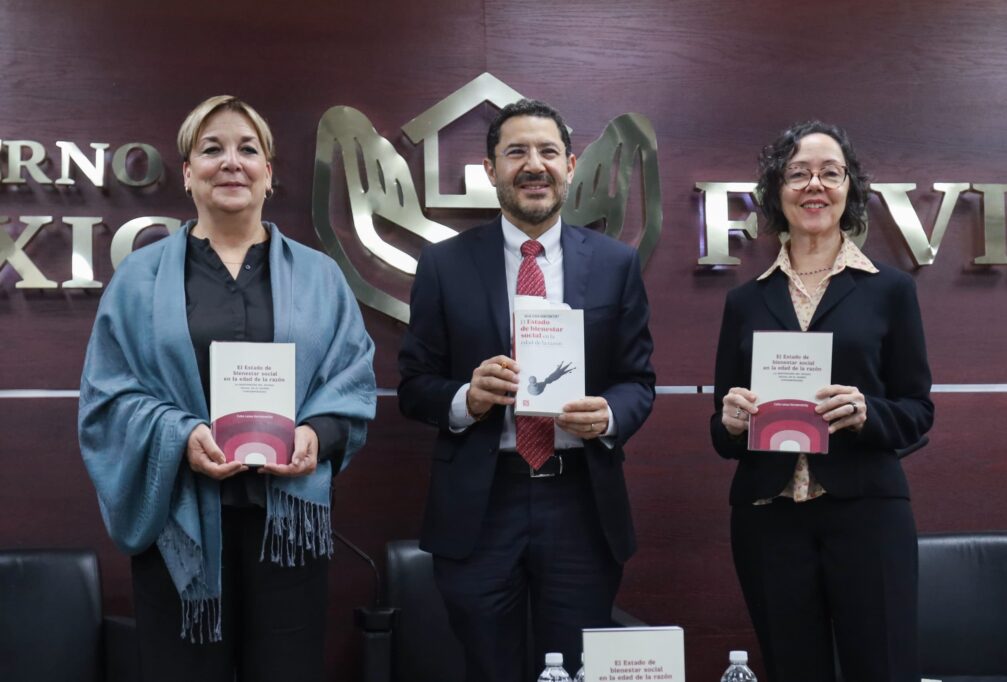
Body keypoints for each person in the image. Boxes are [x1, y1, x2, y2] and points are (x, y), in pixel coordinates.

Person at [79, 95, 376, 682]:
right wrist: (180, 434)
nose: (231, 162)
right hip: (178, 522)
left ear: (270, 172)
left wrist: (319, 431)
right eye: (211, 149)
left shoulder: (320, 276)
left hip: (288, 529)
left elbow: (353, 381)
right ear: (188, 174)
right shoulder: (140, 278)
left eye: (248, 149)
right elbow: (107, 398)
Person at [397, 99, 655, 681]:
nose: (532, 165)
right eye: (516, 152)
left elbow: (638, 382)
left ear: (570, 165)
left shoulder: (616, 264)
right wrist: (468, 397)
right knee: (490, 668)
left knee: (578, 670)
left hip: (581, 504)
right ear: (490, 169)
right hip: (482, 506)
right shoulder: (444, 265)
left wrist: (610, 415)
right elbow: (414, 385)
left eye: (546, 152)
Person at [710, 121, 934, 682]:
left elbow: (918, 409)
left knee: (881, 667)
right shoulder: (746, 301)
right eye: (798, 173)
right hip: (769, 519)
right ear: (776, 191)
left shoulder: (890, 289)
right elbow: (720, 431)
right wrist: (731, 421)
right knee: (792, 670)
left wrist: (868, 412)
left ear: (849, 190)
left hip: (867, 513)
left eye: (830, 173)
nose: (815, 185)